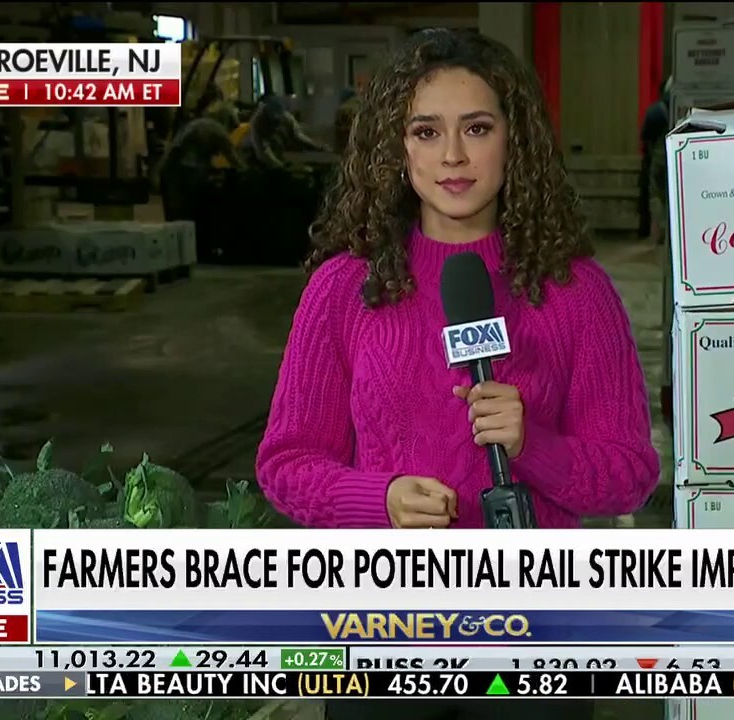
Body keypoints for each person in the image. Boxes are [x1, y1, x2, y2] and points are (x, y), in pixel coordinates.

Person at [256, 28, 660, 720]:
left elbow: (630, 472)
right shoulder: (342, 289)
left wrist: (536, 445)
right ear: (396, 148)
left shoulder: (576, 292)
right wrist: (376, 502)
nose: (452, 156)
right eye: (425, 131)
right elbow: (285, 464)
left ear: (515, 141)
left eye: (476, 128)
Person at [638, 80, 671, 238]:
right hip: (677, 159)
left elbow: (645, 137)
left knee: (656, 194)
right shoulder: (685, 107)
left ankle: (659, 231)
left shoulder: (655, 111)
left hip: (658, 157)